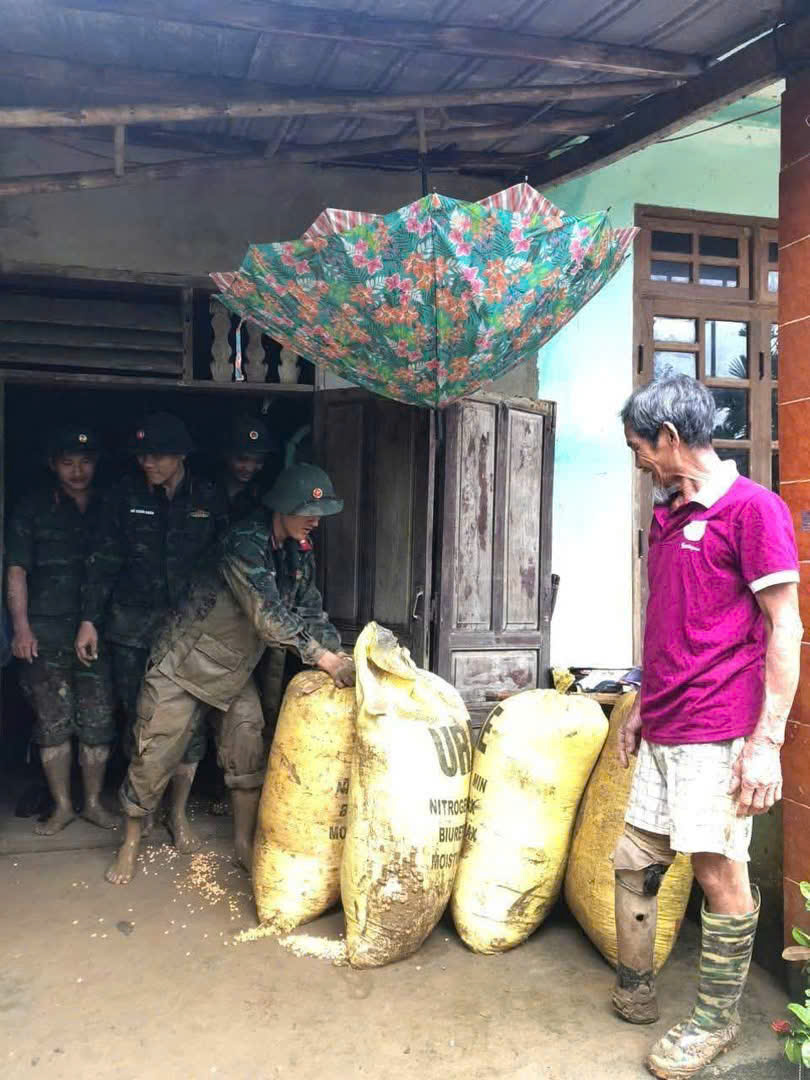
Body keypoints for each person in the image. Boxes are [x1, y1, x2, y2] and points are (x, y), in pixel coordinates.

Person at [614, 375, 802, 1079]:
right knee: (634, 863)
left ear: (668, 439)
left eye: (639, 444)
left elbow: (786, 625)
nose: (635, 456)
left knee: (719, 871)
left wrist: (766, 744)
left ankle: (715, 1024)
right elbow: (671, 623)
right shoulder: (669, 513)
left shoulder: (754, 510)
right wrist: (639, 705)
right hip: (663, 724)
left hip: (718, 730)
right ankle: (636, 990)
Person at [105, 463, 355, 885]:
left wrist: (337, 650)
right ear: (280, 507)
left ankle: (243, 842)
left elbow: (308, 609)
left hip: (234, 669)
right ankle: (130, 842)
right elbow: (269, 616)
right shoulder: (245, 543)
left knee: (247, 746)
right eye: (306, 511)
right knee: (153, 754)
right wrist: (325, 661)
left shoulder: (297, 551)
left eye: (321, 513)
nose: (315, 520)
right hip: (184, 665)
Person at [75, 413, 227, 851]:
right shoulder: (123, 495)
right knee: (139, 723)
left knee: (190, 726)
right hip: (130, 629)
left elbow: (226, 565)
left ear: (180, 456)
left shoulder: (209, 496)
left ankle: (177, 814)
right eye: (142, 455)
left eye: (157, 455)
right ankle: (140, 814)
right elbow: (102, 561)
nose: (147, 463)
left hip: (189, 634)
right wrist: (89, 619)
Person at [7, 425, 117, 835]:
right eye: (68, 463)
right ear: (53, 465)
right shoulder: (33, 508)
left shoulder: (110, 505)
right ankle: (63, 806)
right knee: (52, 723)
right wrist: (20, 628)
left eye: (85, 462)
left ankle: (92, 804)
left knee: (98, 720)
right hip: (46, 632)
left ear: (97, 463)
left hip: (99, 632)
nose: (77, 471)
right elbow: (16, 570)